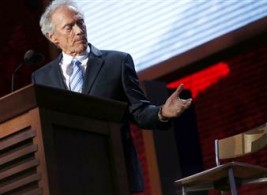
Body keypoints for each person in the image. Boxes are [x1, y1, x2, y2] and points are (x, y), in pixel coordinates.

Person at [32, 0, 192, 192]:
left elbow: (139, 111)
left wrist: (163, 112)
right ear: (53, 37)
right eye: (69, 27)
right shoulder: (42, 78)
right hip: (69, 179)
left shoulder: (116, 62)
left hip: (115, 170)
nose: (79, 31)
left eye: (80, 22)